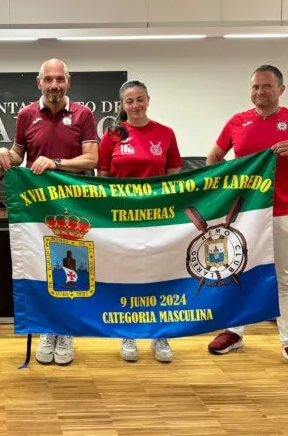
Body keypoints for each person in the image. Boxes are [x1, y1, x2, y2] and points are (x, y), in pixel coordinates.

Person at [205, 64, 288, 374]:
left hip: (282, 213)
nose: (260, 91)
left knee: (284, 277)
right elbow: (214, 157)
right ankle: (234, 332)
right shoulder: (237, 121)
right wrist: (226, 189)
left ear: (280, 90)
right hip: (244, 215)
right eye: (256, 86)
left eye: (267, 86)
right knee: (237, 273)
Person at [0, 58, 98, 366]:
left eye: (59, 79)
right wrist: (4, 153)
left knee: (70, 267)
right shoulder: (27, 114)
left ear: (68, 82)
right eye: (48, 79)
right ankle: (47, 329)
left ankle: (66, 330)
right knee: (41, 266)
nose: (54, 85)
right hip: (37, 206)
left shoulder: (83, 114)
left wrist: (56, 163)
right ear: (39, 83)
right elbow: (18, 155)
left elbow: (92, 159)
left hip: (74, 206)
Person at [97, 80, 181, 363]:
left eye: (140, 99)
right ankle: (128, 333)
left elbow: (175, 180)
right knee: (126, 274)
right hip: (122, 219)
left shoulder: (165, 133)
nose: (135, 105)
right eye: (129, 101)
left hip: (157, 219)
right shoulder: (112, 135)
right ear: (122, 105)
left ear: (148, 100)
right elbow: (103, 181)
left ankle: (160, 334)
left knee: (158, 274)